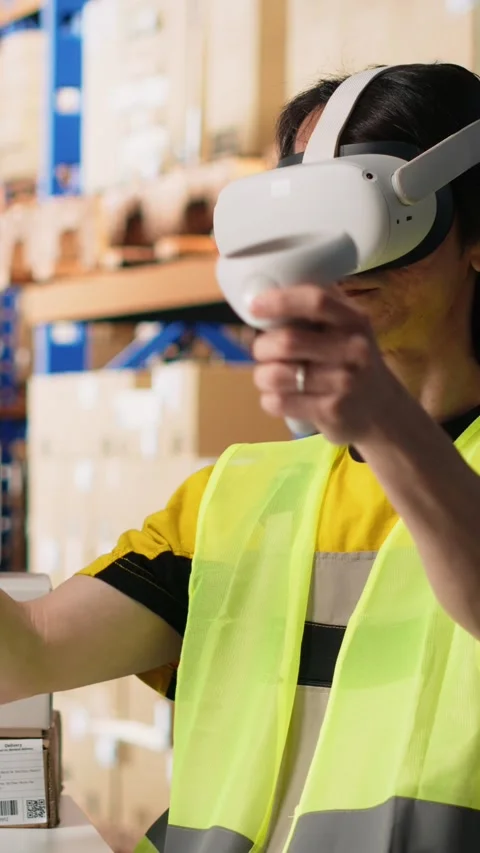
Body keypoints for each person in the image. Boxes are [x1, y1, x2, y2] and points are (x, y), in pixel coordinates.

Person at [3, 62, 480, 852]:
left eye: (361, 200)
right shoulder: (236, 497)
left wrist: (388, 424)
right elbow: (25, 653)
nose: (336, 255)